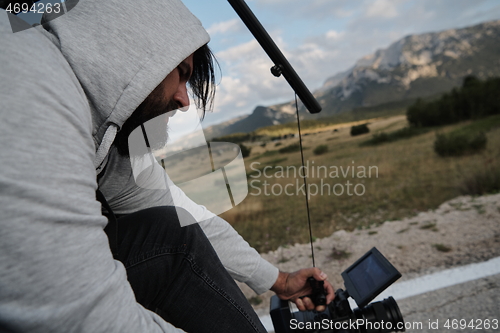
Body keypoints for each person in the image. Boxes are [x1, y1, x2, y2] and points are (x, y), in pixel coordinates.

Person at [0, 1, 334, 332]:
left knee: (170, 229)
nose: (184, 100)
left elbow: (186, 216)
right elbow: (82, 316)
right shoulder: (27, 76)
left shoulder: (110, 135)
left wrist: (279, 279)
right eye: (182, 75)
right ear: (132, 46)